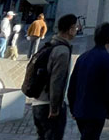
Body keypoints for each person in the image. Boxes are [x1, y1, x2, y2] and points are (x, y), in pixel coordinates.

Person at [30, 12, 78, 140]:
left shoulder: (50, 44)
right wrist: (55, 108)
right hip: (48, 105)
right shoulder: (63, 51)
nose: (77, 30)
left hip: (37, 102)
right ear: (70, 29)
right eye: (76, 27)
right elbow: (57, 81)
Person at [68, 22, 109, 140]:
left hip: (80, 110)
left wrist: (73, 108)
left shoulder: (82, 57)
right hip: (96, 112)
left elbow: (72, 85)